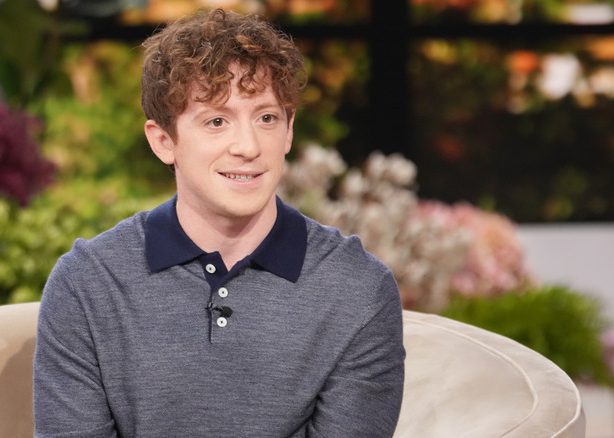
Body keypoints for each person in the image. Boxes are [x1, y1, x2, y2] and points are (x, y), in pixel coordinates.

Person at [33, 8, 405, 437]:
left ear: (288, 131)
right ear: (163, 141)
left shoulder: (358, 289)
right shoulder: (87, 284)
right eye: (216, 121)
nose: (247, 146)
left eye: (266, 118)